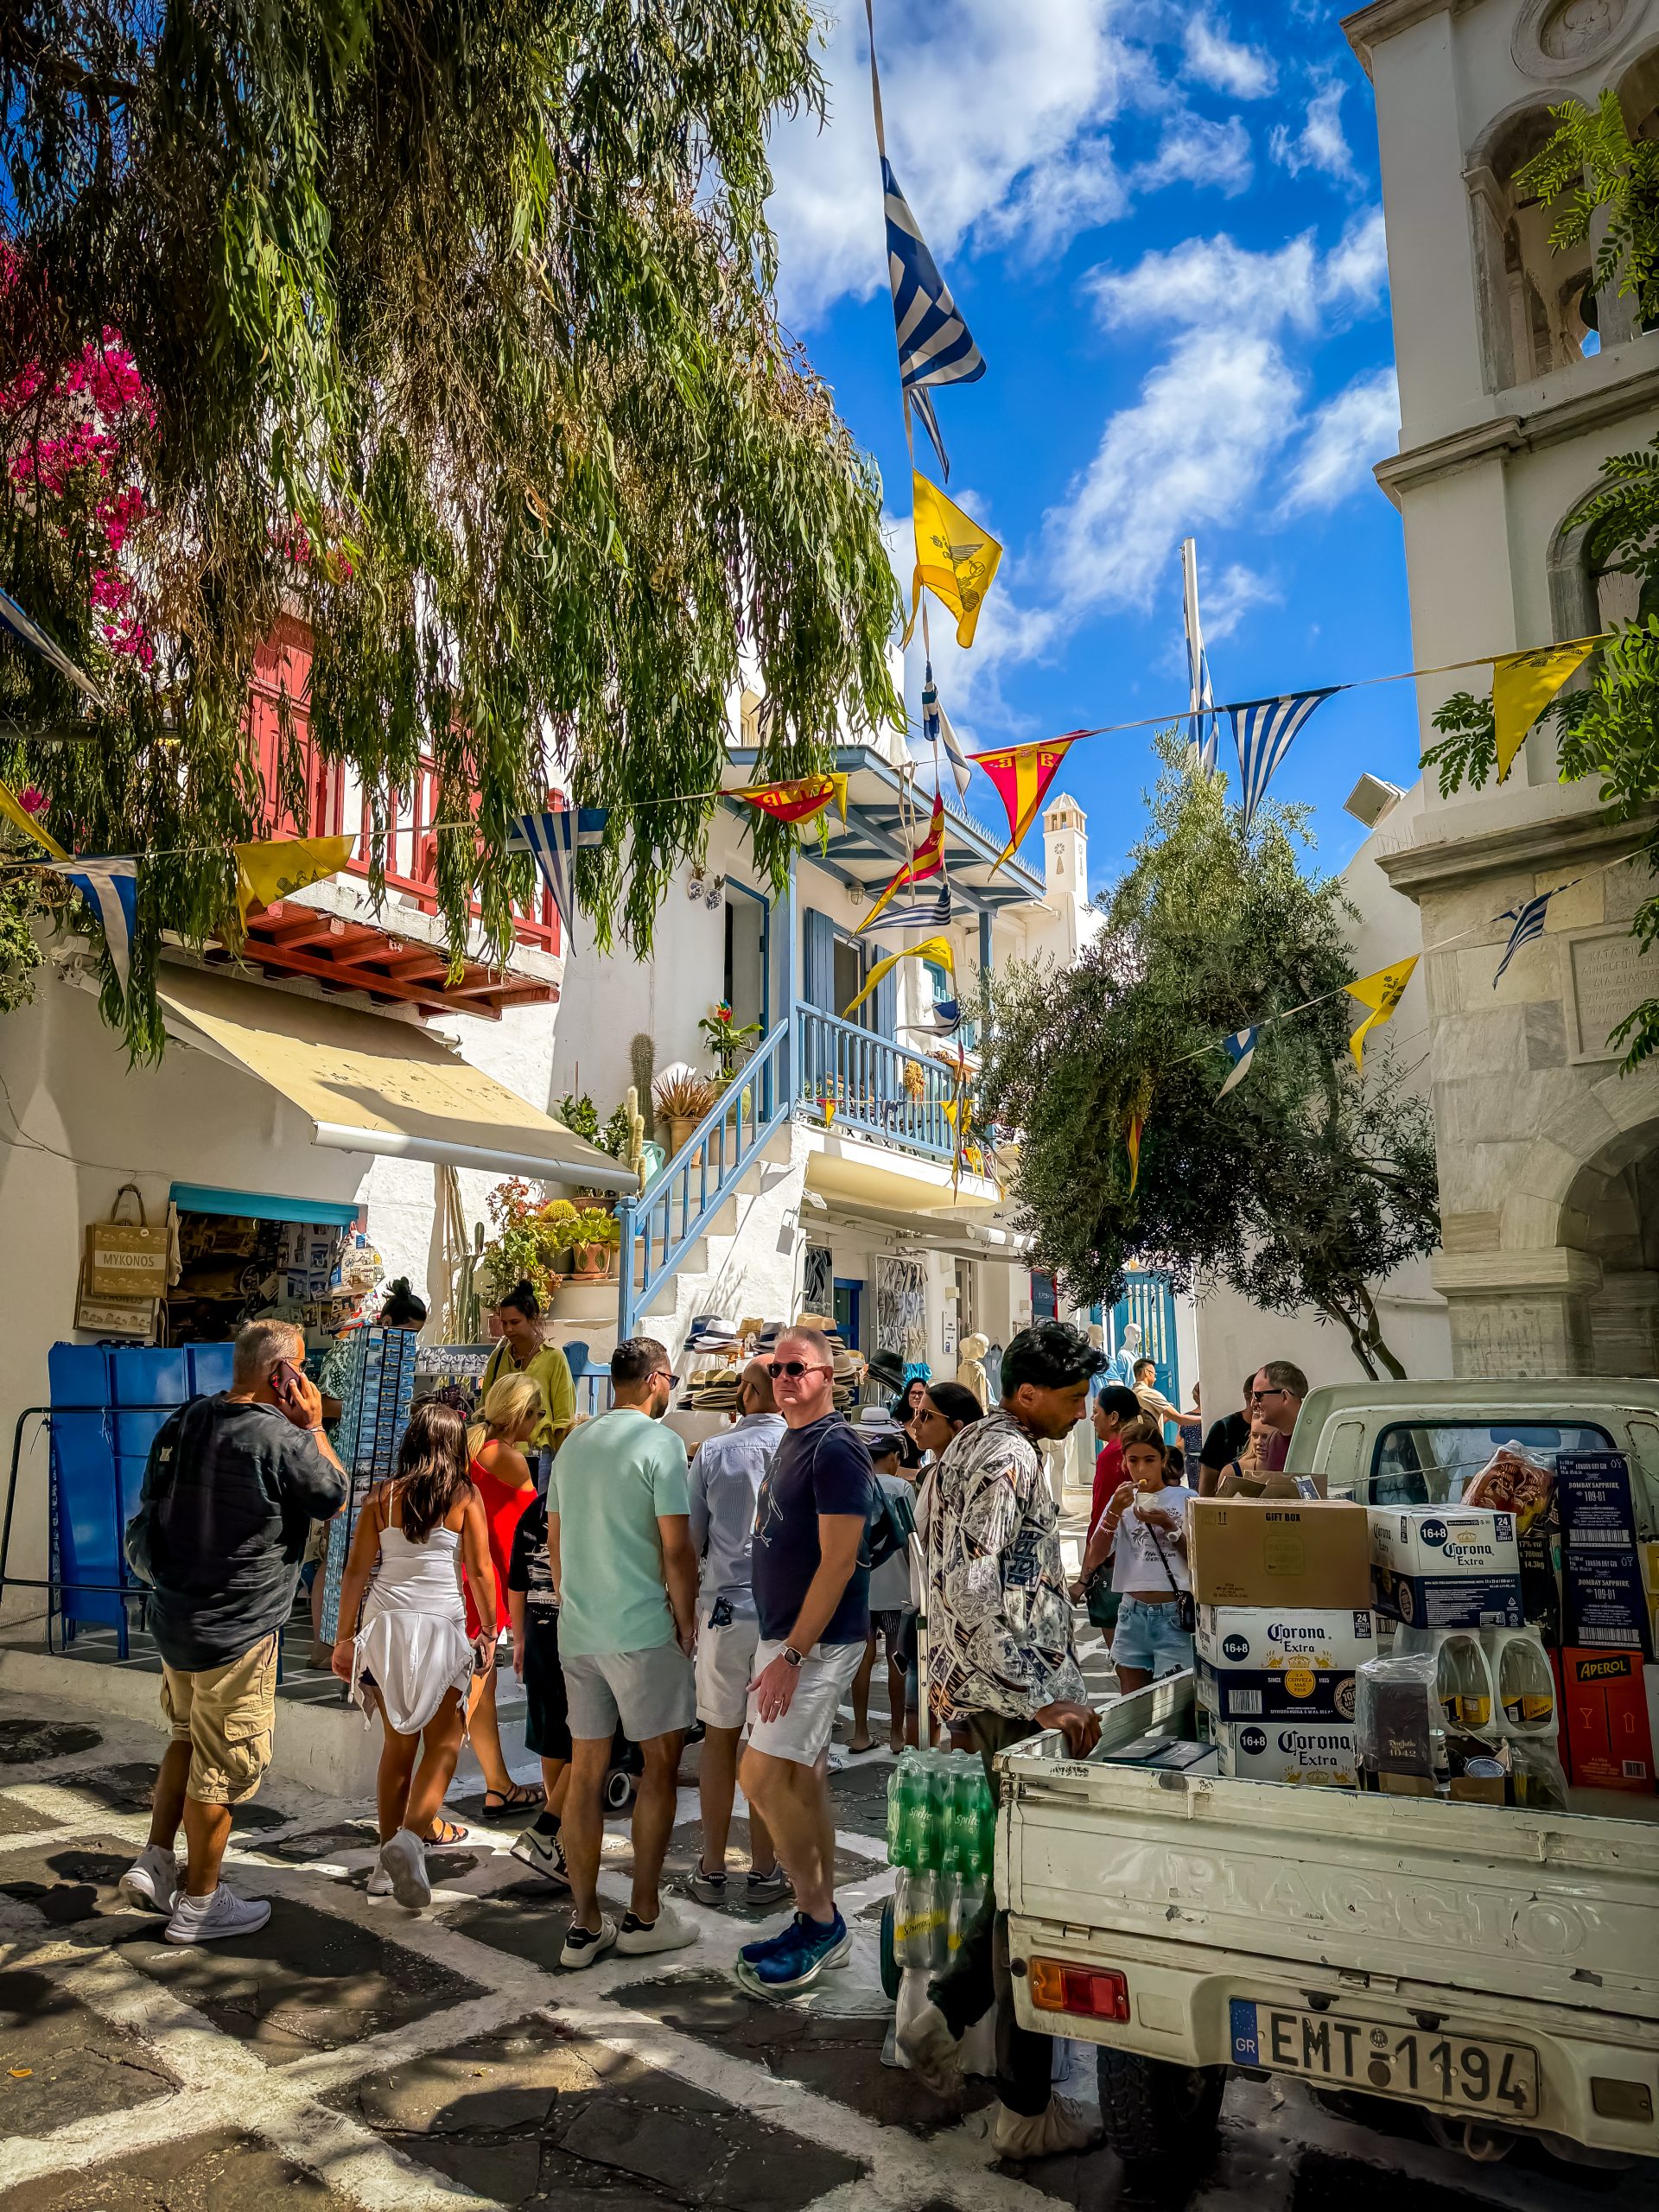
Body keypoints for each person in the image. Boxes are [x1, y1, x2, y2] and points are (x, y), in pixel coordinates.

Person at [902, 1320, 1106, 2158]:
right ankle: (1024, 2107)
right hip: (1016, 1703)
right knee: (1034, 1896)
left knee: (1019, 1883)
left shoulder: (969, 1446)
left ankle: (948, 2016)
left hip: (990, 1693)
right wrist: (1036, 1697)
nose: (1082, 1410)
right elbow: (971, 1585)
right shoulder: (1009, 1457)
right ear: (1028, 1393)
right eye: (1073, 1396)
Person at [119, 1320, 346, 1942]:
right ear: (282, 1374)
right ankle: (200, 1904)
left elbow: (152, 1499)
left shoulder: (187, 1419)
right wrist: (314, 1426)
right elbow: (333, 1496)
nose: (307, 1379)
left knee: (186, 1738)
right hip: (238, 1631)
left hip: (176, 1617)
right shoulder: (282, 1437)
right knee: (220, 1770)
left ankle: (155, 1861)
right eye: (302, 1368)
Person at [549, 1335, 699, 1967]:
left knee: (585, 1775)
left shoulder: (574, 1442)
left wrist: (573, 1604)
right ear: (658, 1378)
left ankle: (584, 1925)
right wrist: (687, 1623)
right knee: (658, 1768)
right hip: (641, 1631)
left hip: (580, 1631)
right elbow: (676, 1548)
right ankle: (643, 1914)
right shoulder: (660, 1444)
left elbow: (555, 1541)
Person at [735, 1325, 874, 1995]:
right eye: (777, 1368)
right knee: (802, 1778)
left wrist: (792, 1654)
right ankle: (817, 1915)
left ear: (828, 1377)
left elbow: (840, 1562)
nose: (786, 1378)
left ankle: (820, 1921)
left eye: (799, 1368)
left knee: (759, 1776)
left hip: (815, 1645)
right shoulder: (794, 1438)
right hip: (788, 1636)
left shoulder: (835, 1448)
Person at [331, 1403, 496, 1908]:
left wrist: (343, 1639)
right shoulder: (465, 1496)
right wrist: (491, 1630)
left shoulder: (381, 1498)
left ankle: (386, 1863)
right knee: (445, 1744)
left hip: (386, 1629)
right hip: (441, 1628)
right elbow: (480, 1570)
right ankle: (408, 1839)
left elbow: (356, 1571)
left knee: (397, 1748)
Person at [684, 1358, 790, 1910]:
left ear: (747, 1393)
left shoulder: (713, 1452)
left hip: (724, 1611)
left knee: (720, 1737)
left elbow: (689, 1542)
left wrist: (684, 1613)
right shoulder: (803, 1448)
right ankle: (766, 1868)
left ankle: (712, 1865)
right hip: (783, 1618)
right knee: (767, 1742)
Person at [463, 1375, 545, 1824]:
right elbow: (537, 1523)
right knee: (477, 1691)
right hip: (489, 1583)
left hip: (466, 1577)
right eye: (537, 1414)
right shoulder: (509, 1458)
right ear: (521, 1415)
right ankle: (492, 1787)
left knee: (480, 1687)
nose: (539, 1423)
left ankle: (499, 1786)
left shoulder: (470, 1447)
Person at [1093, 1417, 1197, 1693]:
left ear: (1163, 1459)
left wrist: (1169, 1526)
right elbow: (1097, 1555)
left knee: (1176, 1699)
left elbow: (1199, 1560)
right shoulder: (1121, 1501)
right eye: (1133, 1460)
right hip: (1131, 1614)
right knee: (1132, 1700)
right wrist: (1113, 1512)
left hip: (1174, 1614)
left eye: (1149, 1460)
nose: (1141, 1469)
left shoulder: (1186, 1498)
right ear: (1124, 1463)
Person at [848, 1411, 916, 1756]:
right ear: (893, 1457)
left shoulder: (852, 1485)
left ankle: (860, 1732)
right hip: (896, 1589)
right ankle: (896, 1733)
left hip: (860, 1587)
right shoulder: (902, 1488)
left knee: (863, 1655)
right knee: (896, 1657)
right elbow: (913, 1542)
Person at [480, 1281, 576, 1473]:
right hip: (499, 1451)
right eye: (504, 1323)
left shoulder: (554, 1358)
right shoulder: (498, 1357)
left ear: (532, 1319)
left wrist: (563, 1462)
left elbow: (564, 1417)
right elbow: (485, 1406)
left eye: (515, 1322)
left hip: (539, 1455)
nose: (508, 1329)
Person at [1075, 1383, 1143, 1594]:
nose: (1091, 1418)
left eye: (1096, 1412)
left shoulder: (1114, 1454)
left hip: (1116, 1559)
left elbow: (1101, 1516)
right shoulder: (1144, 1445)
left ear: (1113, 1417)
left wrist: (1084, 1578)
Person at [1198, 1374, 1257, 1495]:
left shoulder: (1277, 1428)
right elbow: (1207, 1483)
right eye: (1259, 1395)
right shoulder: (1224, 1428)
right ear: (1249, 1396)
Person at [1249, 1359, 1308, 1474]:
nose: (1253, 1403)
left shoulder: (1322, 1435)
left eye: (1258, 1395)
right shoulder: (1273, 1440)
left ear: (1285, 1397)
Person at [1131, 1355, 1182, 1436]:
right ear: (1146, 1372)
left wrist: (1164, 1416)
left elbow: (1149, 1424)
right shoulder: (1150, 1394)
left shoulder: (1130, 1394)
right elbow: (1179, 1419)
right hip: (1151, 1442)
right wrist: (1200, 1419)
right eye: (1154, 1374)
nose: (1155, 1378)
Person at [955, 1332, 990, 1412]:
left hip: (963, 1411)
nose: (987, 1350)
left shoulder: (961, 1367)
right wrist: (984, 1414)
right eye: (986, 1346)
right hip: (975, 1413)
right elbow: (980, 1397)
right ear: (978, 1345)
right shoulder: (978, 1368)